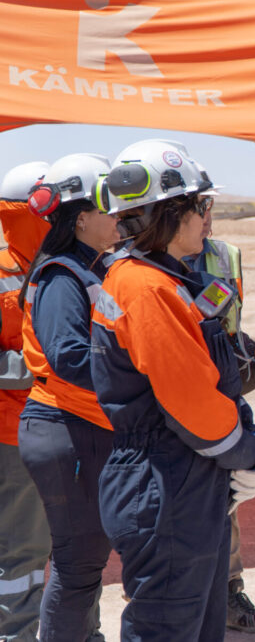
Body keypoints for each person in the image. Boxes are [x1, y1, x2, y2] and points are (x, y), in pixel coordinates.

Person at [91, 139, 255, 642]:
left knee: (197, 623)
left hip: (181, 475)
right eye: (201, 203)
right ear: (170, 213)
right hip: (165, 481)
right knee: (169, 627)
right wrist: (248, 452)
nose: (207, 216)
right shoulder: (147, 288)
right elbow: (190, 400)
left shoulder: (163, 279)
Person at [17, 154, 119, 642]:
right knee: (78, 563)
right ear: (80, 219)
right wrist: (139, 373)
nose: (119, 216)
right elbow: (69, 357)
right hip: (66, 429)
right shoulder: (62, 276)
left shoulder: (94, 267)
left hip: (83, 427)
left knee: (86, 560)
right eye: (108, 208)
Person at [184, 190, 255, 633]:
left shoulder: (225, 256)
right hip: (170, 392)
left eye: (209, 206)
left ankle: (227, 592)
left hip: (221, 392)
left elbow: (232, 322)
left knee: (226, 498)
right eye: (197, 207)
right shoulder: (137, 259)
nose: (206, 216)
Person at [0, 161, 51, 641]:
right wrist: (41, 368)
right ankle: (16, 633)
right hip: (13, 434)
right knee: (22, 548)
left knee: (71, 546)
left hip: (65, 425)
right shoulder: (4, 274)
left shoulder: (71, 267)